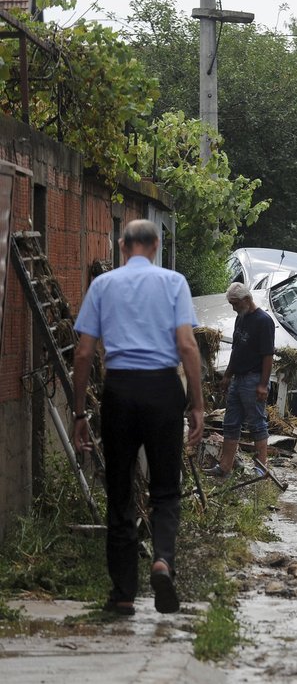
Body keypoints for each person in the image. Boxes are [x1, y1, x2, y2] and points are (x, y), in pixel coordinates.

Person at [72, 219, 204, 616]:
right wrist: (196, 403)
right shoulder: (174, 283)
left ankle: (123, 594)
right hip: (164, 390)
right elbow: (187, 346)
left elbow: (82, 353)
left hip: (120, 392)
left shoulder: (102, 285)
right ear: (157, 245)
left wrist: (79, 411)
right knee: (165, 488)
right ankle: (162, 560)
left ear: (122, 245)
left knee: (120, 490)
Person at [205, 281, 274, 478]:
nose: (234, 308)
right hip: (238, 378)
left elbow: (268, 355)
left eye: (235, 304)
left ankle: (261, 468)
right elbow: (236, 349)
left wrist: (262, 384)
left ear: (246, 300)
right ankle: (224, 467)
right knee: (230, 422)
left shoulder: (263, 321)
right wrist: (227, 375)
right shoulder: (241, 318)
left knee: (257, 423)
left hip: (254, 379)